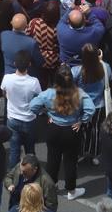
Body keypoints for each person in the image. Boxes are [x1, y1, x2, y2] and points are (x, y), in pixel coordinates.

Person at [29, 65, 95, 201]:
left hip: (54, 129)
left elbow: (32, 106)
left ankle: (50, 188)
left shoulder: (48, 93)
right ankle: (71, 190)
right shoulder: (79, 93)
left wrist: (45, 112)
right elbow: (91, 109)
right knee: (70, 162)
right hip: (72, 130)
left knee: (52, 160)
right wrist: (82, 120)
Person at [1, 50, 41, 168]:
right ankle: (32, 176)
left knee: (14, 151)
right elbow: (39, 98)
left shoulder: (7, 78)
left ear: (14, 63)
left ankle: (13, 178)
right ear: (29, 64)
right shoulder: (34, 82)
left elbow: (4, 93)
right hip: (29, 119)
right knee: (30, 151)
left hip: (13, 119)